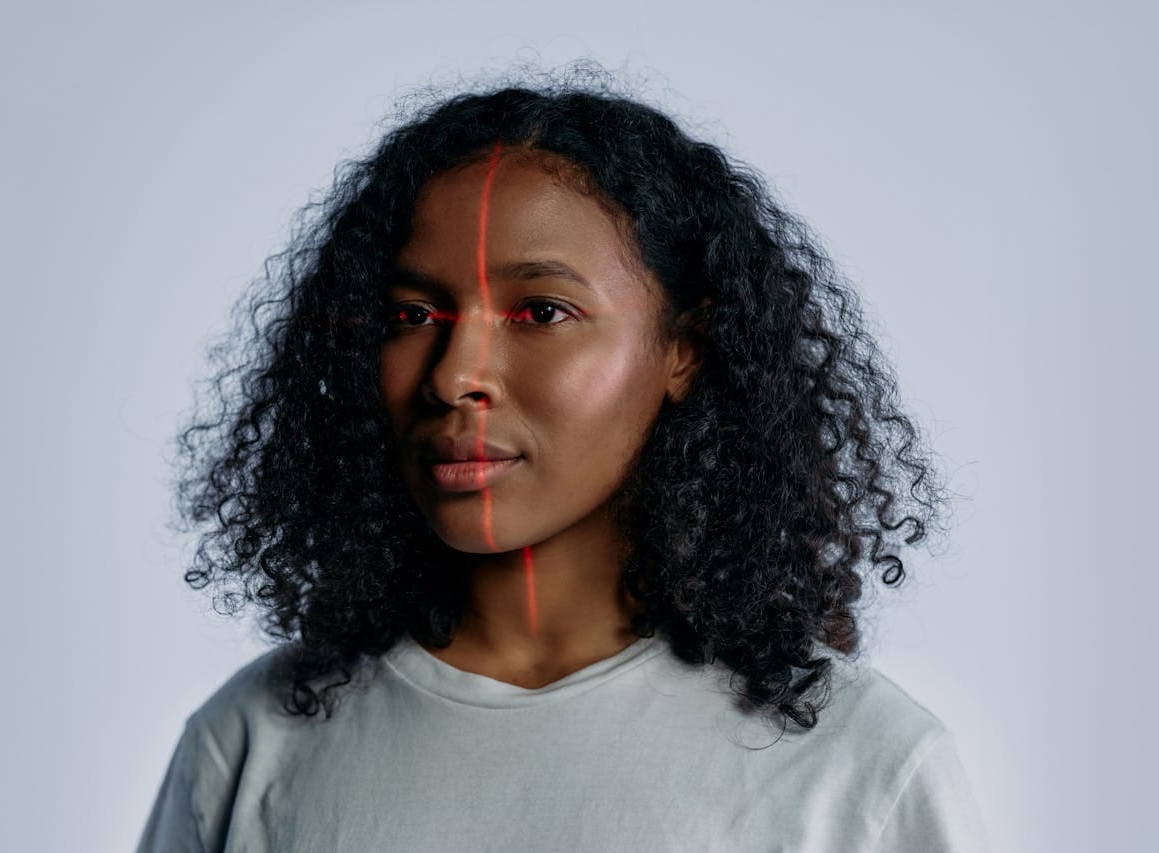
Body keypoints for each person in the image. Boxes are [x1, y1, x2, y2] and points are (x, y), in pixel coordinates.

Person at [138, 69, 990, 851]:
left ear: (684, 351)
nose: (455, 376)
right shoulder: (251, 745)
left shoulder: (859, 770)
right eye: (414, 315)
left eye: (541, 312)